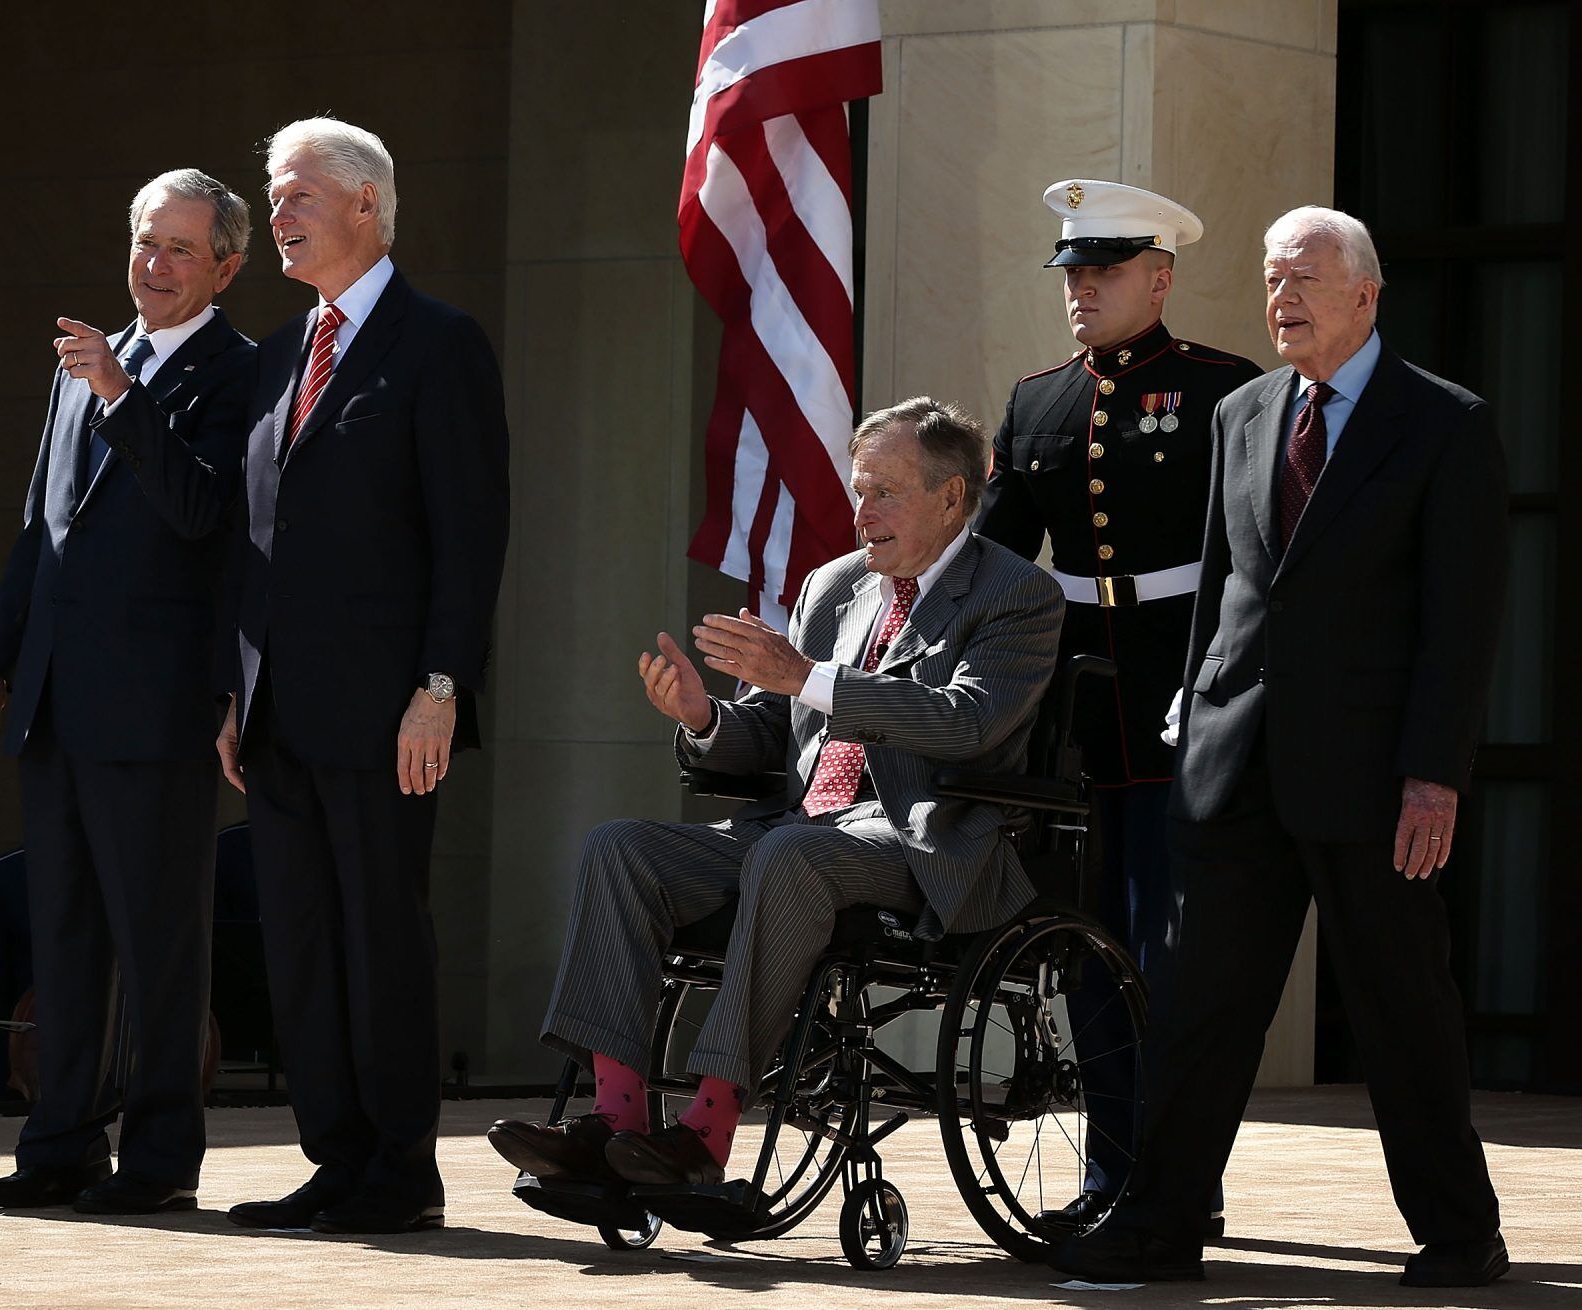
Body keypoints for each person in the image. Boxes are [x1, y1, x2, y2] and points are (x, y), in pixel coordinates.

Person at [1049, 207, 1512, 1288]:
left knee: (1401, 1014)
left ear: (1364, 293)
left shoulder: (1443, 423)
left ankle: (1458, 1232)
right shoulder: (1246, 410)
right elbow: (1222, 586)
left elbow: (1462, 621)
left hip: (1369, 777)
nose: (1281, 298)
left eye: (1303, 277)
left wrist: (1432, 773)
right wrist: (1190, 719)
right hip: (1231, 763)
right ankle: (1158, 1223)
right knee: (1198, 1009)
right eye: (1269, 278)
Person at [102, 117, 510, 1234]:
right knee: (300, 941)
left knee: (381, 935)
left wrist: (441, 685)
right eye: (272, 199)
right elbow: (249, 536)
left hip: (388, 711)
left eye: (295, 198)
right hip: (277, 708)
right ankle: (334, 1157)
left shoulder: (438, 343)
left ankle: (399, 1167)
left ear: (367, 204)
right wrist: (237, 687)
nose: (276, 215)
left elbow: (469, 536)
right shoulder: (281, 352)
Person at [488, 398, 1063, 1190]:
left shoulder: (1016, 593)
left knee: (792, 854)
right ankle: (615, 1123)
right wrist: (701, 717)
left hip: (922, 837)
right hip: (798, 829)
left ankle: (705, 1135)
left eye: (886, 492)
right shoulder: (833, 587)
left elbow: (968, 722)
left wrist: (808, 676)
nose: (864, 512)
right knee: (619, 847)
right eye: (860, 491)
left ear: (952, 497)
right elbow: (771, 731)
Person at [0, 168, 257, 1215]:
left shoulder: (238, 374)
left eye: (178, 248)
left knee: (159, 942)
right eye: (142, 242)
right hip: (54, 695)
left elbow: (202, 516)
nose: (153, 264)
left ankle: (161, 1158)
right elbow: (39, 532)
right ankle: (59, 1145)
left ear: (224, 263)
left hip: (159, 705)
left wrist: (124, 401)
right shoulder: (80, 367)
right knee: (67, 934)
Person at [977, 180, 1261, 1233]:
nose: (1080, 291)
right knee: (1088, 948)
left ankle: (1179, 1176)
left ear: (1159, 276)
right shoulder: (1035, 400)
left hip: (1189, 695)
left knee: (1175, 957)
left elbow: (1251, 558)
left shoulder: (1223, 391)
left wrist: (1223, 681)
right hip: (1077, 714)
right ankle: (1111, 1174)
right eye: (1071, 274)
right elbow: (998, 563)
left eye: (1101, 273)